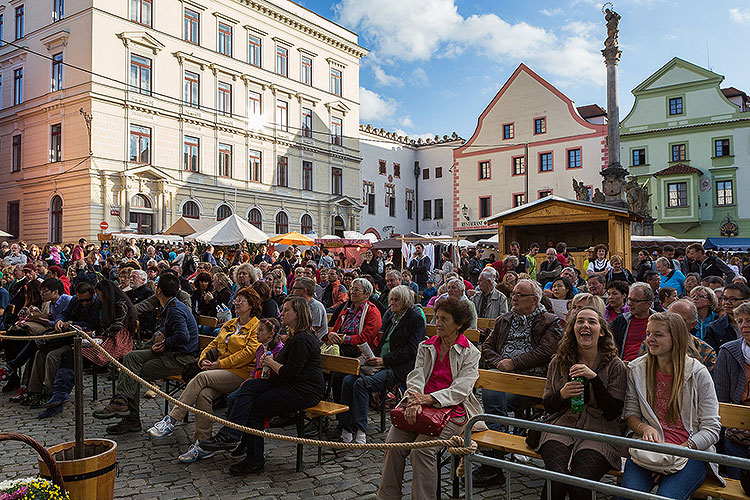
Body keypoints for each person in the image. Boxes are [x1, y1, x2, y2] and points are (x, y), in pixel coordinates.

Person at [199, 296, 324, 476]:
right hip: (290, 383)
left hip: (304, 390)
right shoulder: (295, 336)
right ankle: (231, 434)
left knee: (256, 407)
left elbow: (290, 373)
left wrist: (270, 362)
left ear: (297, 314)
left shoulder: (303, 339)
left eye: (287, 310)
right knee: (249, 388)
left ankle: (254, 459)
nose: (282, 313)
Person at [378, 297, 482, 500]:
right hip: (419, 405)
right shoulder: (426, 346)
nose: (438, 323)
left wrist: (429, 399)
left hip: (453, 411)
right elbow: (416, 376)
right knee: (392, 444)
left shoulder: (471, 353)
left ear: (459, 324)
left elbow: (461, 389)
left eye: (444, 319)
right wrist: (415, 401)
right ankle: (387, 496)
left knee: (422, 451)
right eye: (437, 317)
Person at [147, 287, 262, 462]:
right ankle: (203, 444)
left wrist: (218, 364)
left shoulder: (255, 326)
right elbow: (212, 345)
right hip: (219, 371)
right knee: (203, 395)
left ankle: (171, 419)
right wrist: (203, 360)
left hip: (241, 373)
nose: (236, 303)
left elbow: (248, 353)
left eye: (241, 301)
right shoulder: (230, 324)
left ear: (251, 305)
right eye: (236, 300)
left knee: (201, 377)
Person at [618, 311, 722, 500]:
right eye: (648, 333)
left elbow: (712, 428)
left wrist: (676, 456)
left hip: (691, 452)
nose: (650, 339)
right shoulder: (637, 369)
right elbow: (631, 414)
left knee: (667, 497)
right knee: (627, 496)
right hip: (649, 450)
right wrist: (644, 427)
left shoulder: (698, 373)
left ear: (676, 338)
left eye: (658, 335)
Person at [474, 279, 564, 486]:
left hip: (532, 382)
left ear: (534, 299)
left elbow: (547, 351)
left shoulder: (550, 321)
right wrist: (500, 363)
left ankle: (492, 464)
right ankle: (493, 457)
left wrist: (514, 363)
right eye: (513, 293)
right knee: (492, 392)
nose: (513, 297)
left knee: (492, 394)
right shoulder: (504, 319)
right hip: (503, 376)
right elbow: (487, 346)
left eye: (519, 295)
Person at [537, 307, 627, 500]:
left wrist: (594, 379)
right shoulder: (558, 362)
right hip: (561, 426)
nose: (585, 325)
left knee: (580, 484)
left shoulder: (615, 365)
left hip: (600, 431)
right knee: (557, 480)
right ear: (573, 329)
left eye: (592, 322)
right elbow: (549, 407)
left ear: (601, 331)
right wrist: (562, 394)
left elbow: (612, 413)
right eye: (580, 321)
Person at [93, 273, 198, 434]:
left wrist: (165, 343)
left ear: (158, 290)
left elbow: (183, 336)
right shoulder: (169, 305)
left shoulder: (176, 308)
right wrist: (162, 335)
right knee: (130, 357)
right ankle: (121, 401)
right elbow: (167, 326)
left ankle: (131, 419)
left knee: (132, 373)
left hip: (179, 359)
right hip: (170, 352)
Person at [337, 285, 424, 447]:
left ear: (404, 301)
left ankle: (360, 430)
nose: (391, 303)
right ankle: (346, 428)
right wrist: (371, 356)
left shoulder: (415, 318)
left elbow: (411, 350)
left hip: (398, 368)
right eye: (391, 299)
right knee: (348, 380)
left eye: (396, 300)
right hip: (380, 362)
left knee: (361, 384)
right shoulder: (393, 317)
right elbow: (383, 343)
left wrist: (384, 360)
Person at [712, 301, 750, 478]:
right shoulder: (728, 351)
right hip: (735, 425)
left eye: (749, 320)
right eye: (740, 321)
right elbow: (721, 397)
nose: (744, 325)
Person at [81, 280, 137, 367]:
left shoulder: (121, 305)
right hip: (110, 334)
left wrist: (94, 333)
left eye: (99, 295)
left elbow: (116, 326)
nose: (99, 298)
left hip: (119, 338)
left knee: (91, 350)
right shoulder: (107, 305)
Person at [327, 278, 383, 356]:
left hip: (359, 351)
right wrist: (331, 335)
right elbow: (335, 330)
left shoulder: (372, 312)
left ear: (366, 294)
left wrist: (343, 339)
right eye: (351, 289)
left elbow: (366, 339)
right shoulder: (346, 311)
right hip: (341, 346)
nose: (352, 292)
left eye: (356, 290)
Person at [610, 282, 654, 362]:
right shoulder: (621, 321)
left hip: (650, 366)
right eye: (629, 299)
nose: (630, 303)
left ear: (648, 304)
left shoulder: (659, 322)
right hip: (625, 366)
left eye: (635, 301)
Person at [704, 283, 750, 351]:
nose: (727, 302)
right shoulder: (714, 328)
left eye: (733, 299)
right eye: (725, 298)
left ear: (746, 301)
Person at [291, 277, 328, 342]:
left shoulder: (316, 307)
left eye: (295, 288)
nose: (292, 291)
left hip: (314, 343)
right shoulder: (300, 305)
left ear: (304, 290)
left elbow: (311, 330)